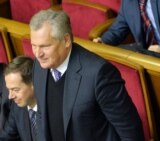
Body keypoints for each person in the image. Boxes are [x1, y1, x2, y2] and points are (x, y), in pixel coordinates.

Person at [30, 9, 144, 141]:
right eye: (34, 45)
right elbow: (41, 116)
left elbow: (130, 132)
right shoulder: (38, 66)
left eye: (45, 46)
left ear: (66, 40)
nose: (38, 54)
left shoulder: (99, 73)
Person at [0, 56, 36, 141]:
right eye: (9, 90)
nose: (10, 96)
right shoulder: (17, 108)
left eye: (15, 90)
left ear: (33, 84)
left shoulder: (53, 108)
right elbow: (6, 138)